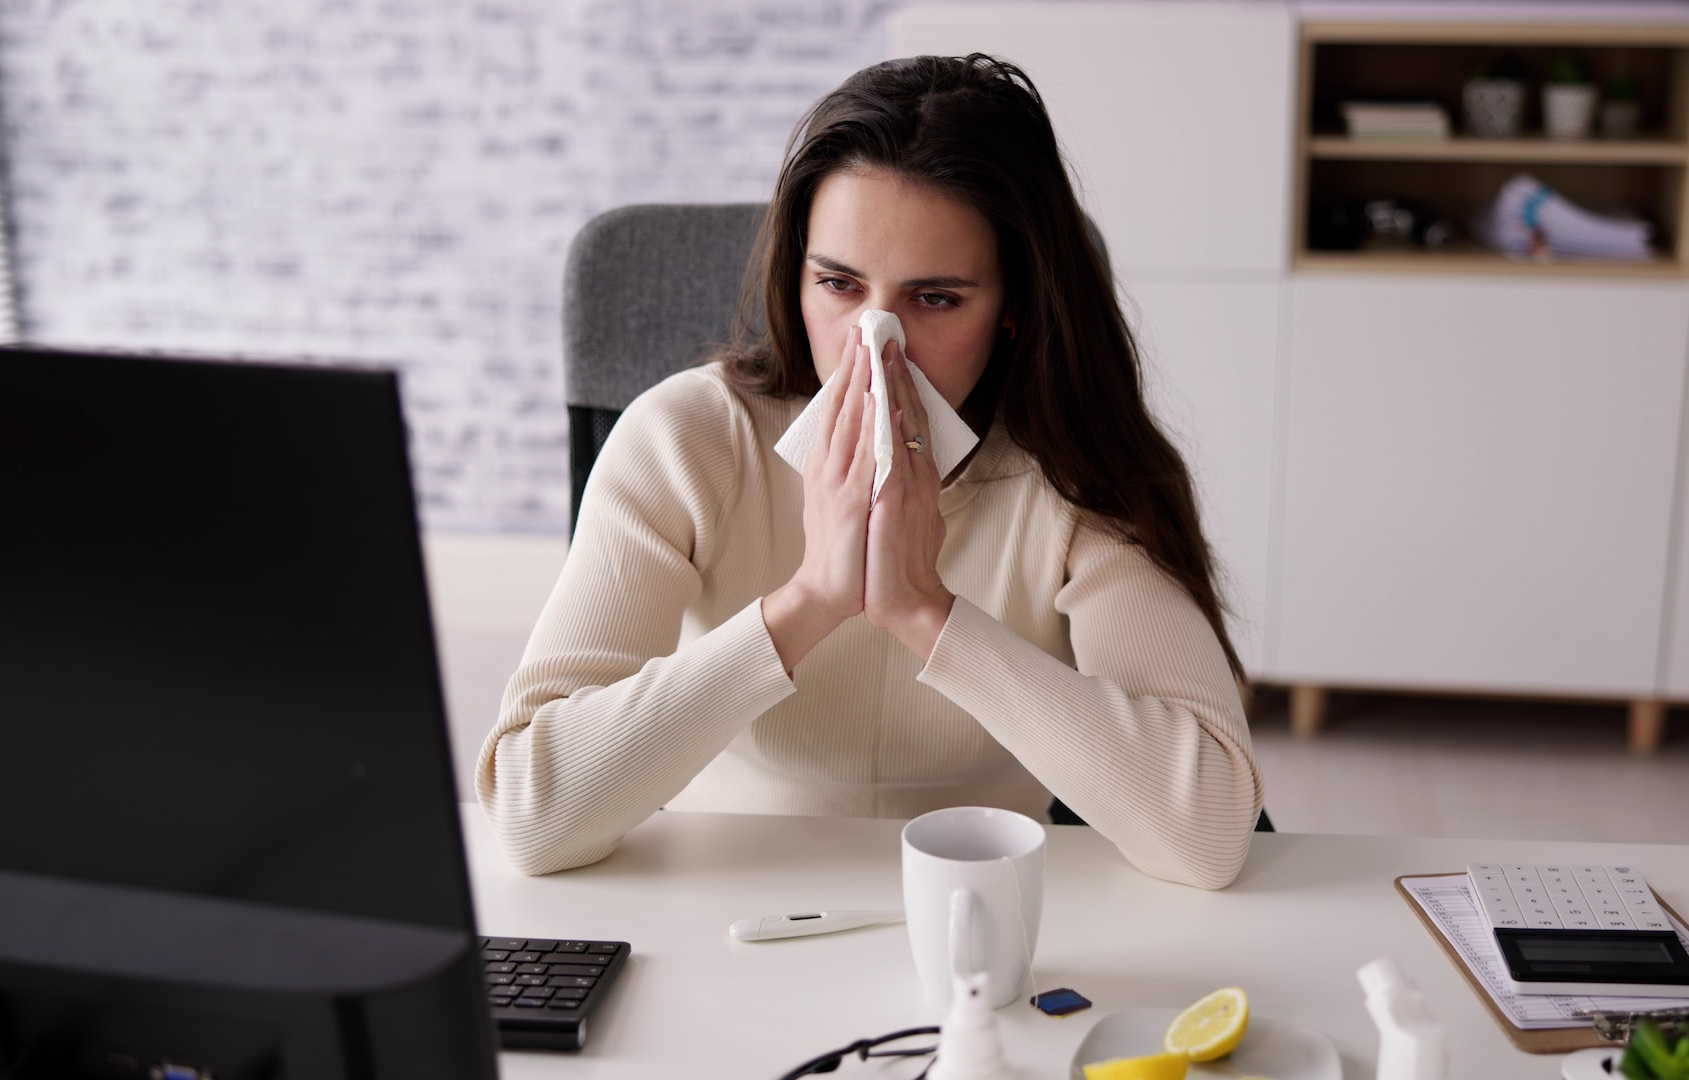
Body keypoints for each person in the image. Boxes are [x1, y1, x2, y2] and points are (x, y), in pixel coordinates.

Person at [476, 54, 1263, 890]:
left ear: (1015, 312)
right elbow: (533, 814)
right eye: (839, 285)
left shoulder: (1078, 467)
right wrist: (812, 598)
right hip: (720, 903)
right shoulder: (686, 439)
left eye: (936, 299)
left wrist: (924, 609)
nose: (873, 344)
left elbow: (1210, 833)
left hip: (985, 908)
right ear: (796, 278)